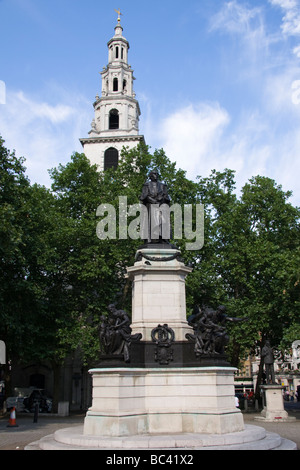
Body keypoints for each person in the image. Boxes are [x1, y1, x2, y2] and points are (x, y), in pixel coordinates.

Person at [140, 170, 171, 244]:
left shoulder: (162, 186)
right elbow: (144, 196)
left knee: (163, 221)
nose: (156, 175)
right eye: (154, 174)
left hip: (161, 206)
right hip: (151, 206)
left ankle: (163, 239)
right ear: (150, 176)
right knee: (151, 222)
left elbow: (166, 197)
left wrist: (161, 199)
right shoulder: (146, 185)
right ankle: (151, 239)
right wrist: (153, 201)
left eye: (157, 174)